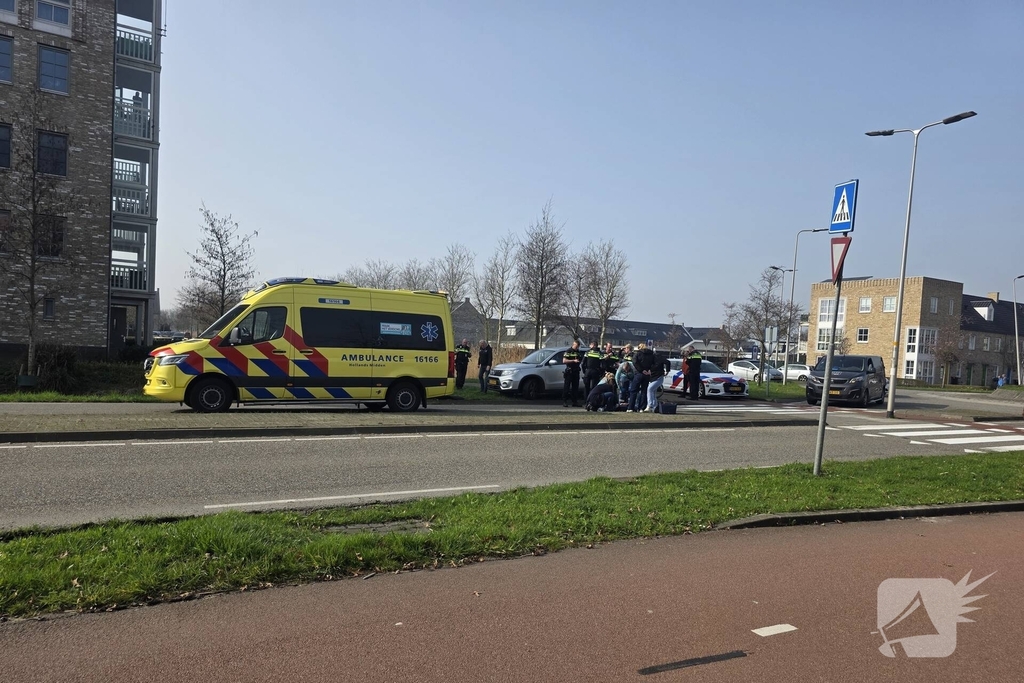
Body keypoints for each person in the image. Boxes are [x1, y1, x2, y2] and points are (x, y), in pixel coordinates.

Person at [628, 343, 654, 412]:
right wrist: (649, 370)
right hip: (647, 374)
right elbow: (654, 363)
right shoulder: (651, 354)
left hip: (639, 373)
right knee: (644, 391)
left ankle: (631, 407)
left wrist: (641, 370)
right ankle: (641, 408)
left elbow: (635, 362)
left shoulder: (638, 354)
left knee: (633, 390)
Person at [562, 340, 582, 407]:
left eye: (578, 346)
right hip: (569, 371)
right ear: (573, 344)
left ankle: (575, 402)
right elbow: (564, 361)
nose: (577, 347)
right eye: (576, 346)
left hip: (576, 372)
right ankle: (565, 401)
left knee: (575, 388)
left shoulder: (578, 352)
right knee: (566, 387)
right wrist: (573, 361)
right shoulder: (568, 351)